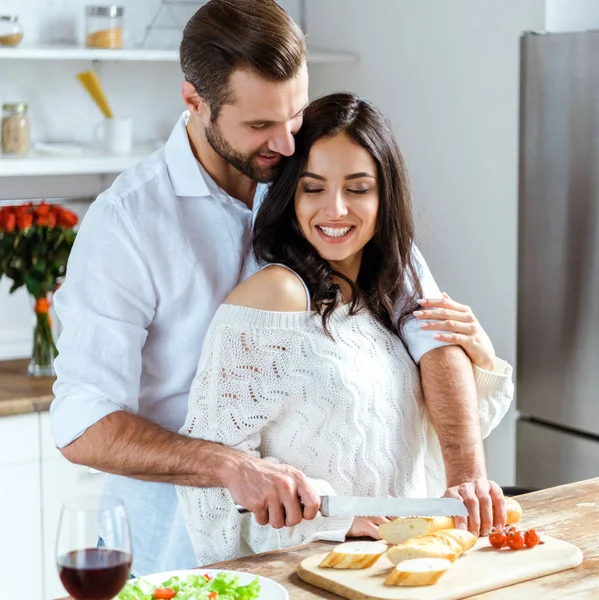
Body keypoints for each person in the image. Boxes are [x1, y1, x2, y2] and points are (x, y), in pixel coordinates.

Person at [50, 0, 506, 577]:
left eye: (293, 116)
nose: (287, 143)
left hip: (340, 544)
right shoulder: (129, 222)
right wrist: (228, 465)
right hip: (184, 550)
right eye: (261, 125)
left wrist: (465, 472)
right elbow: (81, 421)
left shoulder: (314, 174)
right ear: (195, 101)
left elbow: (427, 326)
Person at [175, 92, 514, 565]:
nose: (334, 210)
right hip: (319, 576)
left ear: (385, 195)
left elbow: (420, 439)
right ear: (290, 194)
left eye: (357, 189)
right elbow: (213, 479)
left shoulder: (390, 293)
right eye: (313, 188)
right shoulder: (275, 297)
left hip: (407, 568)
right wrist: (333, 522)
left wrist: (481, 357)